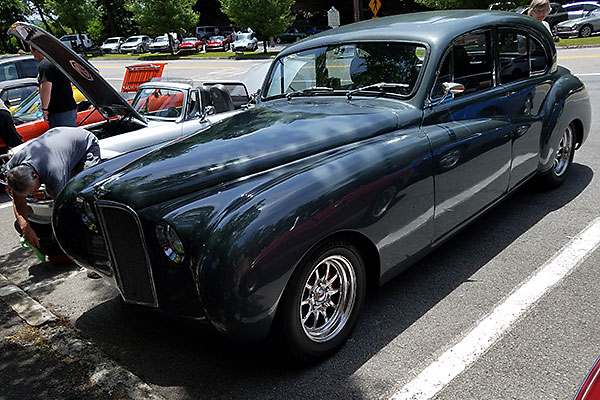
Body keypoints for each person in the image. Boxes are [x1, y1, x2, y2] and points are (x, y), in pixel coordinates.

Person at [5, 126, 100, 249]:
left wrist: (59, 237)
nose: (32, 195)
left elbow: (63, 207)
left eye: (32, 191)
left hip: (85, 143)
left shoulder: (55, 173)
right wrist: (25, 228)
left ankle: (97, 231)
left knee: (82, 193)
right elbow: (18, 199)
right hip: (58, 142)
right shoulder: (13, 168)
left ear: (35, 176)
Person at [30, 46, 77, 128]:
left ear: (37, 50)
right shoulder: (58, 61)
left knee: (60, 139)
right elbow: (69, 84)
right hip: (70, 109)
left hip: (58, 112)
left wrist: (44, 109)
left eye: (32, 53)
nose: (34, 56)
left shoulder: (44, 65)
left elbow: (46, 88)